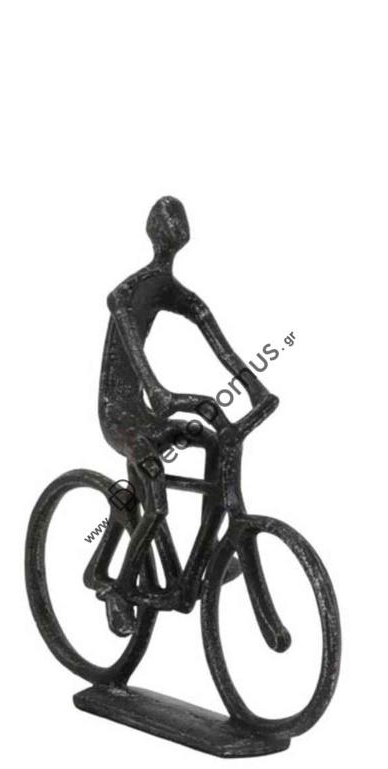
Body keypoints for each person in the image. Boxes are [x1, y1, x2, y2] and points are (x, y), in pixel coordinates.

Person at [96, 196, 269, 634]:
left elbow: (218, 342)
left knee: (213, 441)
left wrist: (255, 388)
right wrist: (158, 392)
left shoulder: (179, 294)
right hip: (119, 413)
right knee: (155, 505)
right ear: (157, 232)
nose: (176, 230)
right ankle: (119, 591)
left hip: (148, 410)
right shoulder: (126, 293)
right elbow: (132, 346)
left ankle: (204, 559)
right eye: (171, 223)